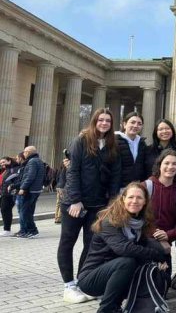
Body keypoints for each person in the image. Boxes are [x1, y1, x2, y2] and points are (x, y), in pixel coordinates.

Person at [58, 108, 121, 304]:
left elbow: (115, 176)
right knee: (68, 242)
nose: (104, 123)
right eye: (100, 120)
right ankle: (69, 285)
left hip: (98, 204)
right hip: (75, 202)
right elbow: (73, 171)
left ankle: (82, 282)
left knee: (91, 245)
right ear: (94, 121)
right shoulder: (81, 141)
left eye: (108, 121)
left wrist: (111, 202)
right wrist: (75, 199)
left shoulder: (112, 145)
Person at [78, 182, 169, 313]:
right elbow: (123, 248)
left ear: (145, 202)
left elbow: (144, 244)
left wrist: (162, 259)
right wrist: (156, 255)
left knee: (136, 264)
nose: (134, 201)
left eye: (139, 198)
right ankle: (106, 309)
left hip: (115, 272)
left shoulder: (140, 222)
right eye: (131, 197)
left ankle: (118, 307)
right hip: (91, 278)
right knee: (127, 262)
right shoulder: (109, 221)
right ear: (123, 199)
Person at [146, 149, 176, 282]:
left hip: (166, 244)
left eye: (175, 164)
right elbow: (136, 219)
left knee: (163, 283)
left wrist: (168, 235)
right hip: (144, 242)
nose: (170, 167)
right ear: (159, 165)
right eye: (166, 163)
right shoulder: (145, 187)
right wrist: (159, 237)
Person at [12, 146, 46, 238]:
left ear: (29, 152)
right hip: (34, 190)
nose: (23, 153)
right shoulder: (37, 160)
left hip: (30, 190)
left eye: (25, 152)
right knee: (27, 211)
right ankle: (26, 231)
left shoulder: (32, 161)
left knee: (25, 212)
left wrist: (23, 188)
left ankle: (32, 231)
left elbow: (30, 176)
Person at [116, 111, 148, 187]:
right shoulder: (115, 141)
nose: (136, 125)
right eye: (132, 122)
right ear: (124, 124)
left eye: (139, 124)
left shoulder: (142, 144)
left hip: (137, 187)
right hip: (119, 188)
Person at [1, 156, 20, 236]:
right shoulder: (7, 169)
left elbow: (13, 180)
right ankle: (6, 229)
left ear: (9, 161)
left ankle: (7, 229)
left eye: (3, 162)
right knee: (4, 210)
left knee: (6, 210)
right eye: (1, 163)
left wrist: (11, 187)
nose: (2, 164)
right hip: (4, 193)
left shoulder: (14, 169)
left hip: (9, 193)